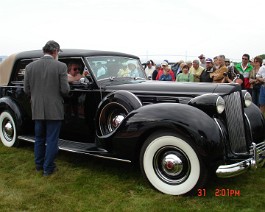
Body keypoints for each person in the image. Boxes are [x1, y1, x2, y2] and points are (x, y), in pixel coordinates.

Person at [24, 40, 70, 176]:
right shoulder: (61, 66)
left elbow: (27, 90)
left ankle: (39, 165)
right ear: (55, 51)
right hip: (54, 109)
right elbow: (65, 90)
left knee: (39, 138)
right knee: (51, 140)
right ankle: (48, 168)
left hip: (37, 108)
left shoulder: (30, 67)